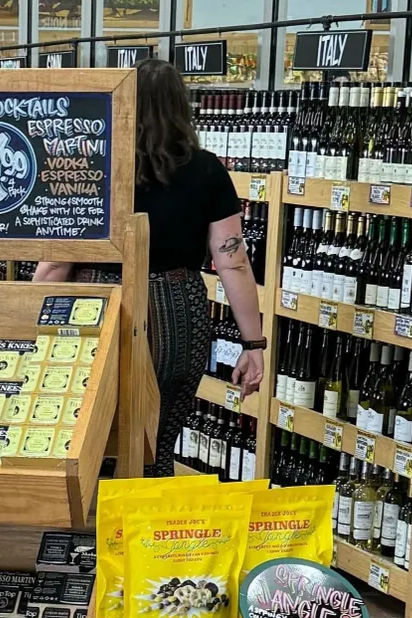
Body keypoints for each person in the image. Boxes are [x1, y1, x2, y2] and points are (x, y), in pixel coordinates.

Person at [32, 58, 264, 477]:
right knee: (158, 439)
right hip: (177, 309)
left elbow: (55, 262)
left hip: (96, 303)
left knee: (87, 429)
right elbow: (233, 262)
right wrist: (253, 346)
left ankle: (86, 533)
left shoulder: (93, 165)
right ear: (182, 107)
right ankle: (146, 528)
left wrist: (29, 324)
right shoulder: (208, 169)